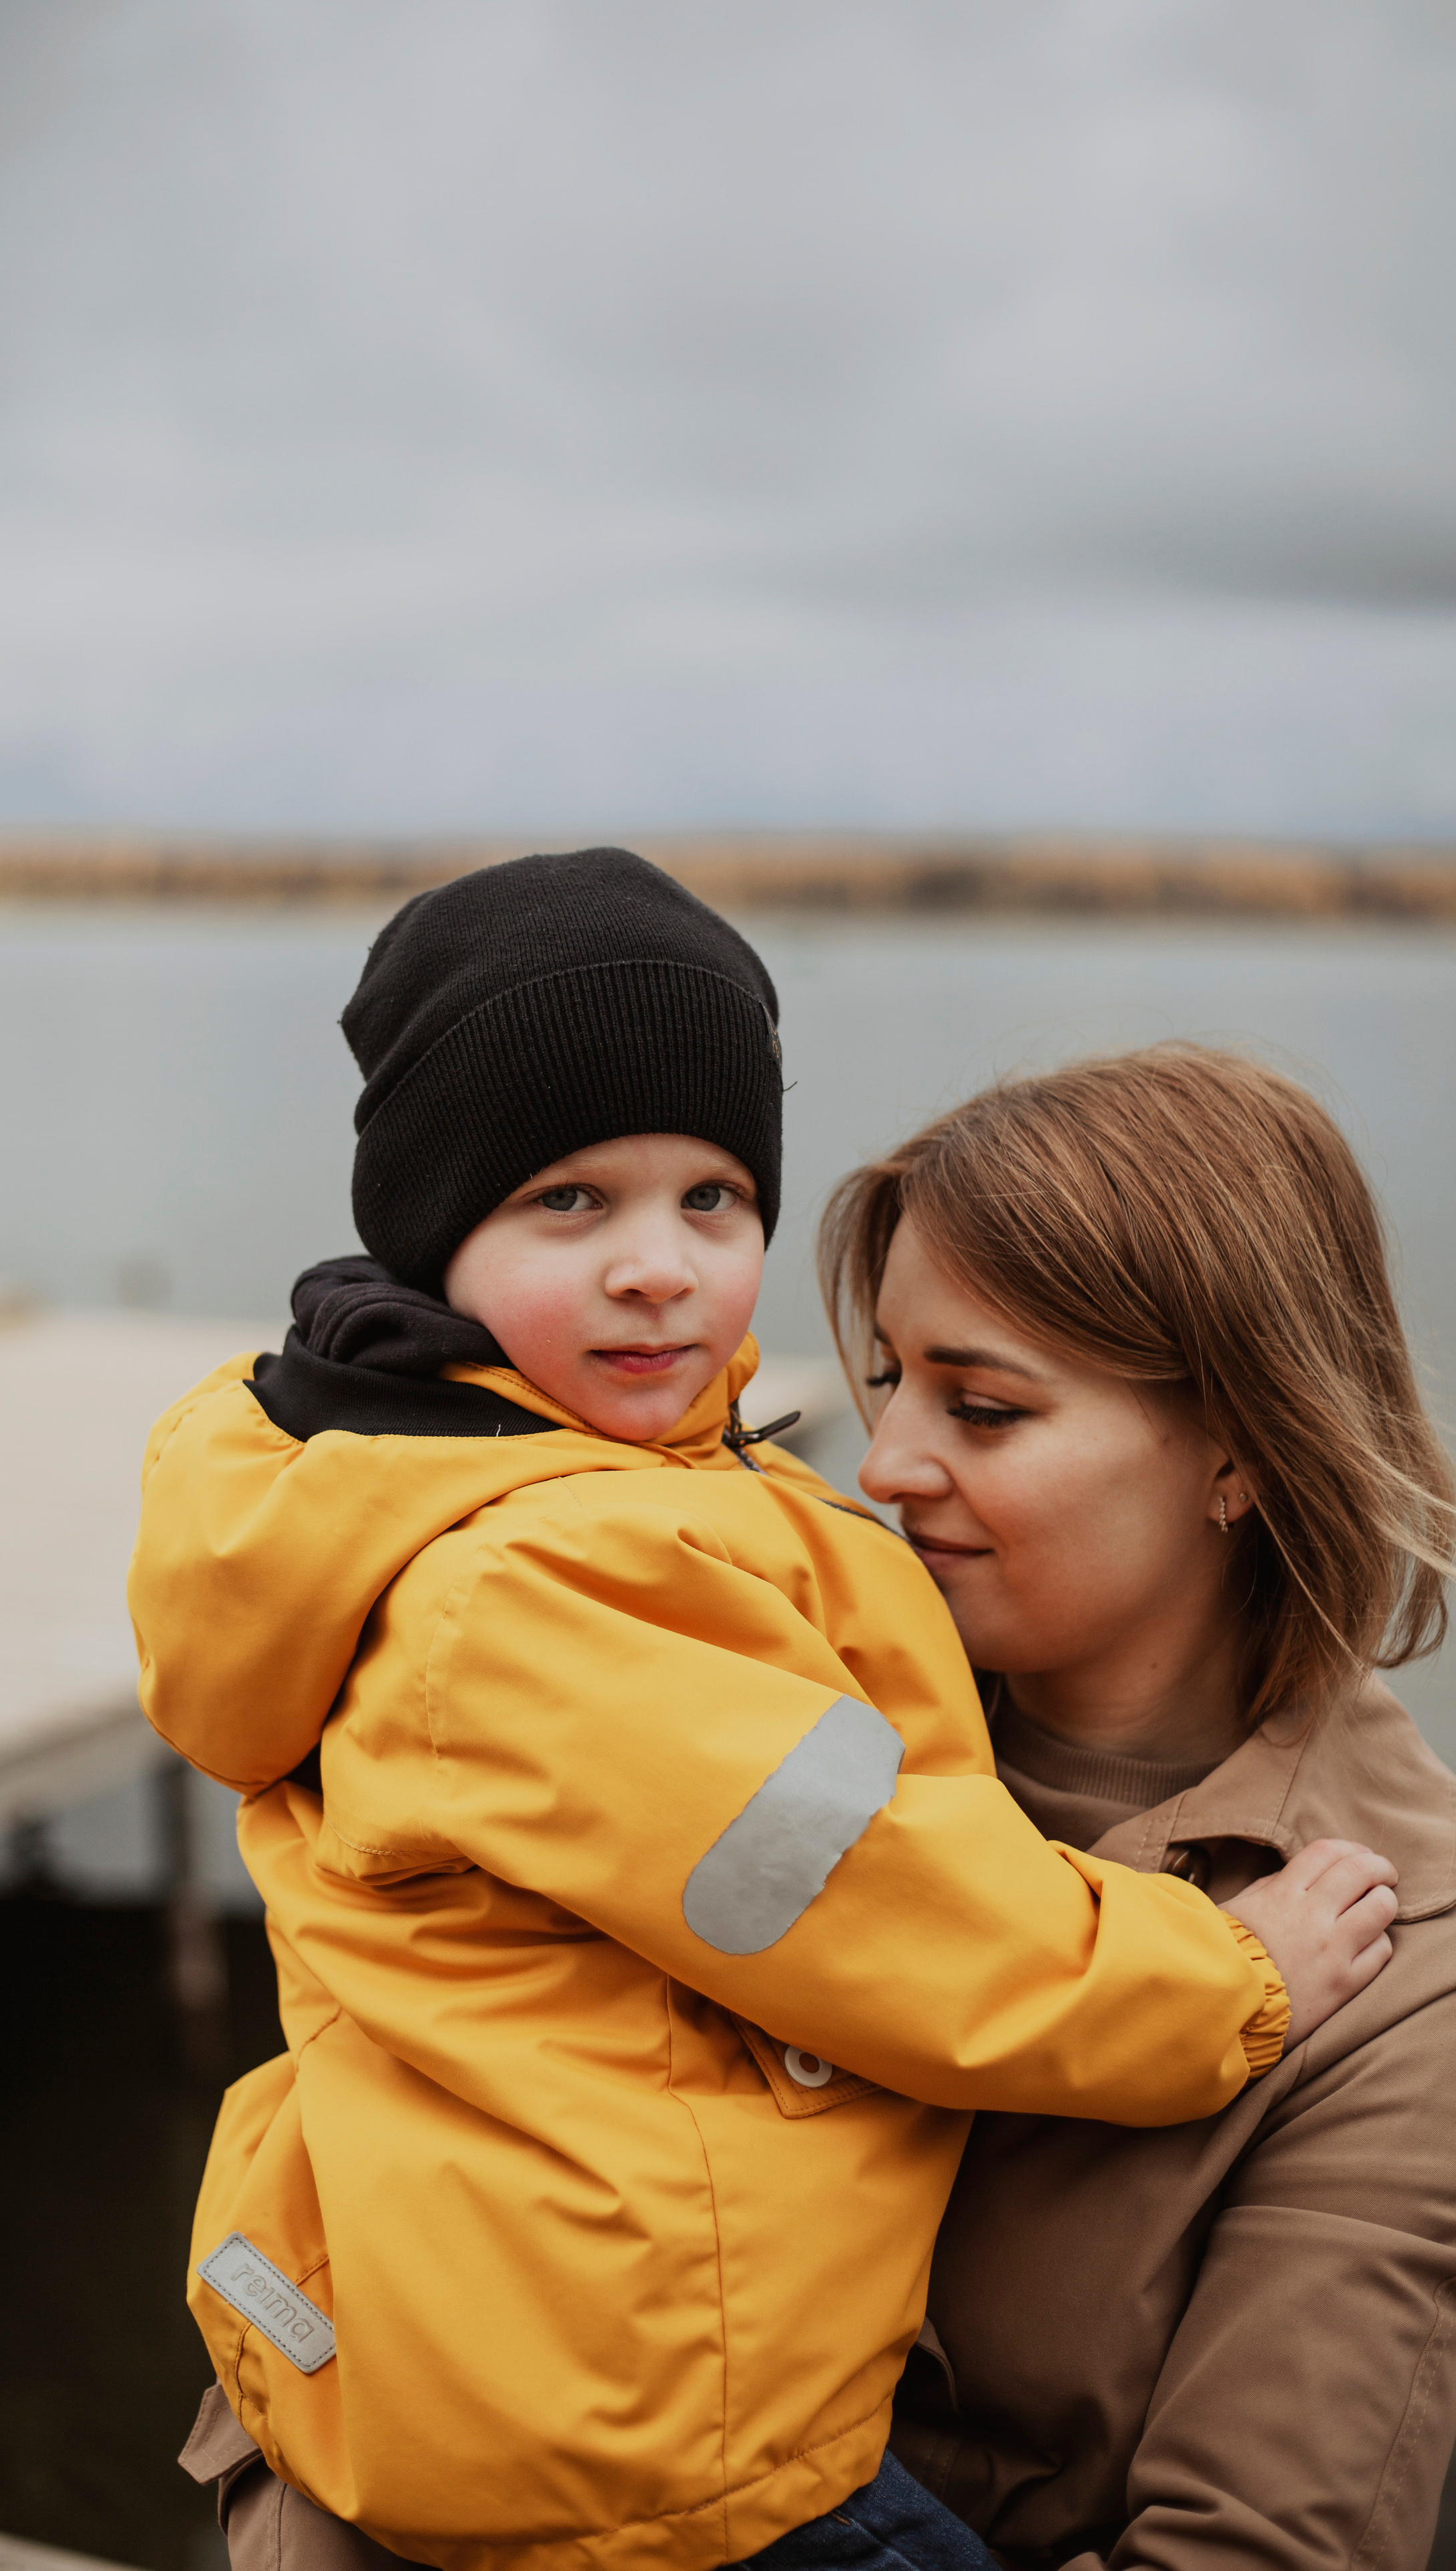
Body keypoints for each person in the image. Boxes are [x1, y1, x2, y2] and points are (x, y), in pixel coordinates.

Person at [132, 854, 1390, 2571]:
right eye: (569, 1201)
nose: (656, 1267)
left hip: (501, 2348)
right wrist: (1223, 1982)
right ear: (435, 1234)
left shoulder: (480, 1488)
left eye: (712, 1199)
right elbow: (867, 1897)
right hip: (658, 2441)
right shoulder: (551, 1582)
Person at [815, 1042, 1456, 2571]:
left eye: (981, 1408)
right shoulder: (760, 1730)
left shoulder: (1406, 1965)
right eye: (890, 1379)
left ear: (1239, 1447)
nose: (883, 1465)